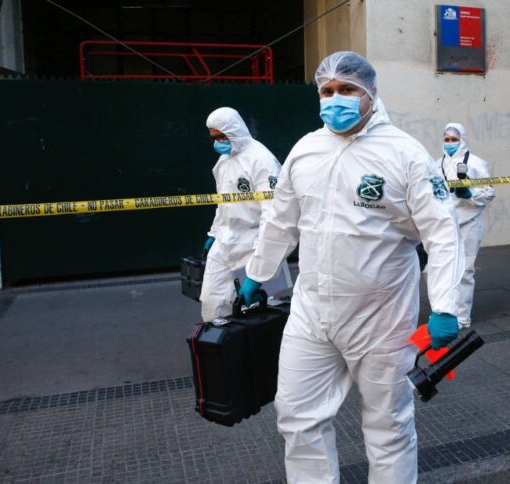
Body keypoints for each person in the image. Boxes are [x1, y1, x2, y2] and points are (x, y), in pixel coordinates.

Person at [239, 51, 464, 483]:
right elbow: (281, 221)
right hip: (311, 313)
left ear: (370, 93)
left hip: (381, 318)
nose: (335, 99)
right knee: (296, 415)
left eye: (346, 89)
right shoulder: (306, 150)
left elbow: (442, 233)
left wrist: (445, 305)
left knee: (388, 425)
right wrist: (257, 272)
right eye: (326, 91)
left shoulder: (405, 154)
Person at [199, 107, 285, 322]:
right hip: (225, 241)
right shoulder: (223, 161)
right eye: (214, 138)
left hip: (253, 244)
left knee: (256, 316)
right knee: (212, 302)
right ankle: (216, 342)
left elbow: (274, 214)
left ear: (234, 130)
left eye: (222, 136)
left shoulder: (262, 161)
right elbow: (223, 203)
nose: (218, 142)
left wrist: (261, 262)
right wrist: (214, 232)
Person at [437, 123, 496, 329]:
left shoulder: (477, 164)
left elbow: (489, 193)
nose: (450, 143)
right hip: (444, 225)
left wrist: (470, 194)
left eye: (454, 139)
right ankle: (444, 311)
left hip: (469, 224)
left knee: (465, 271)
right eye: (447, 139)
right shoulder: (436, 165)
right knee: (442, 270)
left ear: (462, 140)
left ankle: (462, 316)